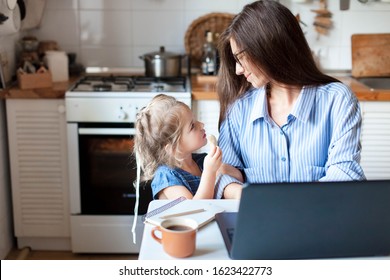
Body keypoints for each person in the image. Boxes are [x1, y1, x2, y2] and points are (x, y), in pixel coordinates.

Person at [214, 0, 366, 199]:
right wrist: (257, 199)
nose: (238, 70)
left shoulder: (337, 100)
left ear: (269, 47)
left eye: (241, 57)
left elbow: (346, 175)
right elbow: (223, 176)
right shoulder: (238, 109)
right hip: (257, 221)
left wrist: (282, 204)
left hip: (319, 222)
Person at [134, 94, 243, 200]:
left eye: (195, 120)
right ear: (173, 147)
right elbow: (193, 210)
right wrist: (210, 172)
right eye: (192, 126)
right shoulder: (166, 176)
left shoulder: (201, 161)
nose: (201, 124)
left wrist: (222, 168)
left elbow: (239, 178)